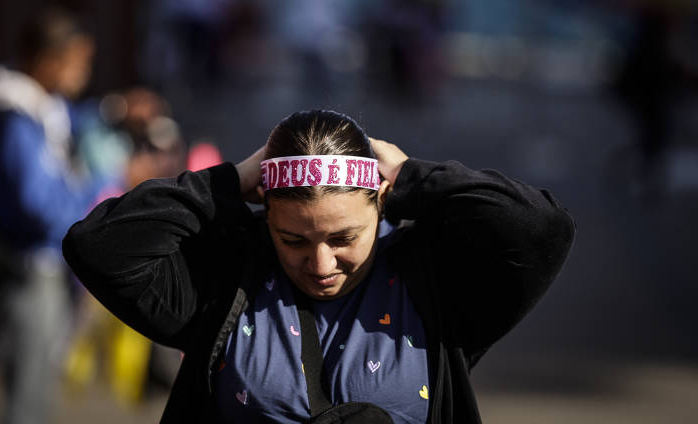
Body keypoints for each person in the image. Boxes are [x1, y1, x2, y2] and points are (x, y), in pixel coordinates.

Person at [63, 109, 576, 423]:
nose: (321, 263)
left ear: (381, 202)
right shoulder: (224, 284)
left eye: (344, 237)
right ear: (264, 212)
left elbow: (540, 228)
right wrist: (228, 182)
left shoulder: (433, 285)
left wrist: (412, 176)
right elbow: (96, 246)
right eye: (293, 239)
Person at [0, 8, 115, 424]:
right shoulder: (18, 119)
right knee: (27, 396)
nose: (84, 74)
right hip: (31, 269)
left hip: (47, 267)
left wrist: (119, 109)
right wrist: (101, 187)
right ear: (47, 60)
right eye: (78, 62)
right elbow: (38, 204)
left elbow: (84, 121)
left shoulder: (45, 109)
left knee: (39, 386)